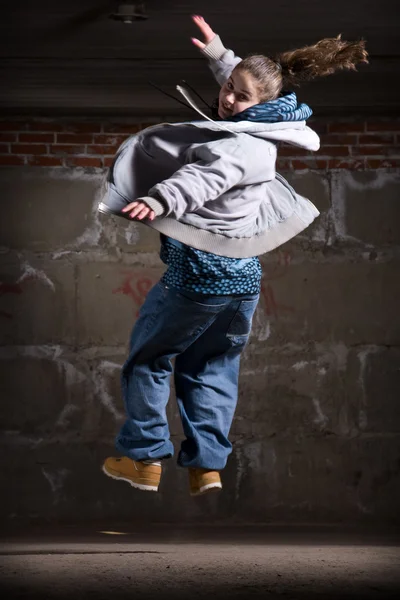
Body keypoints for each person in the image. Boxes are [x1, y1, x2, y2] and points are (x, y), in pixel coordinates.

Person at [100, 15, 368, 496]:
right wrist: (222, 55)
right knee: (210, 368)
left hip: (199, 273)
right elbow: (251, 87)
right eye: (229, 86)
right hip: (243, 278)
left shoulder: (241, 148)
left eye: (240, 95)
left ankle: (144, 460)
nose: (227, 98)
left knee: (149, 360)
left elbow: (201, 178)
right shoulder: (269, 120)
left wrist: (161, 200)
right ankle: (207, 467)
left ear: (261, 106)